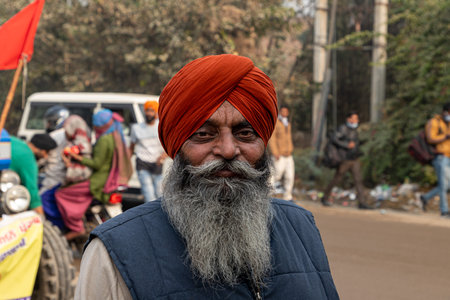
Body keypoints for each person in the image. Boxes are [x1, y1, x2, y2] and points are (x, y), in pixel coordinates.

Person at [75, 54, 339, 299]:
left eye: (245, 134)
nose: (227, 150)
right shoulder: (115, 252)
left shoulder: (301, 227)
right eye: (203, 134)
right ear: (177, 145)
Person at [56, 109, 132, 240]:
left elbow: (97, 164)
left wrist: (76, 157)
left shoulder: (104, 140)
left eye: (95, 124)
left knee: (61, 194)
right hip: (107, 178)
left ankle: (76, 227)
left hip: (98, 181)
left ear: (101, 125)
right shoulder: (115, 136)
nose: (94, 127)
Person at [321, 112, 369, 209]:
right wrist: (346, 145)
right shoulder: (343, 129)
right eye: (354, 119)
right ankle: (325, 197)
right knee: (337, 179)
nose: (356, 121)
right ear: (349, 119)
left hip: (354, 159)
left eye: (357, 119)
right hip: (345, 159)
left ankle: (362, 202)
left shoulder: (355, 130)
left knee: (358, 180)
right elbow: (334, 139)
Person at [10, 133, 57, 215]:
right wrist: (40, 217)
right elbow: (32, 192)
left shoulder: (15, 141)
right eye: (46, 152)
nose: (45, 157)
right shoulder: (28, 158)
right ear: (40, 149)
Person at [130, 100, 167, 202]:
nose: (149, 113)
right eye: (147, 110)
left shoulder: (161, 127)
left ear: (156, 112)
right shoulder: (136, 128)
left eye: (151, 110)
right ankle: (153, 217)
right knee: (148, 193)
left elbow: (168, 145)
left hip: (157, 163)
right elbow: (131, 146)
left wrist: (163, 156)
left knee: (159, 192)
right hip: (142, 162)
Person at [420, 103, 450, 218]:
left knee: (447, 185)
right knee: (443, 185)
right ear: (445, 112)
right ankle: (444, 211)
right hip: (440, 157)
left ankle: (425, 197)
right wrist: (445, 137)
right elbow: (430, 138)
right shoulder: (434, 122)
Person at [268, 104, 295, 201]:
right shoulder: (276, 122)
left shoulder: (288, 123)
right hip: (279, 154)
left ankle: (288, 196)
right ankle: (268, 194)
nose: (284, 113)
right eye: (283, 111)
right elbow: (272, 138)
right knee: (277, 175)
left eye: (286, 111)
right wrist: (275, 152)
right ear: (280, 112)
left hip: (288, 154)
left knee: (290, 176)